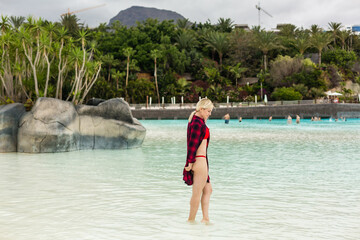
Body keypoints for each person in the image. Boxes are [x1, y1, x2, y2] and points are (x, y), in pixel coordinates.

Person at [183, 98, 214, 224]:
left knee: (208, 190)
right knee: (196, 193)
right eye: (208, 111)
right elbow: (192, 144)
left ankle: (205, 219)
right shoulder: (197, 122)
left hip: (201, 161)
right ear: (201, 109)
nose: (209, 114)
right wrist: (190, 163)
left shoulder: (198, 121)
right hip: (199, 161)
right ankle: (190, 220)